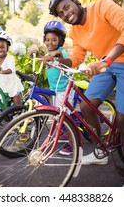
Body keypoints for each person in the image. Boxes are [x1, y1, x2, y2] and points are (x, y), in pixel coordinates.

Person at [45, 0, 124, 175]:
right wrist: (56, 60)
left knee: (123, 120)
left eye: (67, 7)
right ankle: (100, 151)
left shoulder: (102, 6)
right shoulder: (75, 32)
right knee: (87, 107)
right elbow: (76, 58)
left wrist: (107, 60)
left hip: (119, 62)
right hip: (106, 66)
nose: (66, 13)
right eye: (61, 13)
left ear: (75, 0)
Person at [42, 20, 73, 156]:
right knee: (57, 115)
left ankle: (72, 144)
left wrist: (56, 55)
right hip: (55, 90)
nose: (50, 43)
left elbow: (61, 58)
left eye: (54, 40)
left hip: (64, 89)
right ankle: (65, 134)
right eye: (47, 40)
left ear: (60, 41)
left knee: (64, 117)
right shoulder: (49, 54)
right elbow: (47, 65)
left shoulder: (61, 53)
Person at [0, 31, 24, 105]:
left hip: (13, 86)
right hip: (3, 86)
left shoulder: (10, 58)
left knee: (17, 107)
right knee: (3, 108)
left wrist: (2, 71)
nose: (0, 50)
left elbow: (11, 70)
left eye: (2, 47)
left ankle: (21, 114)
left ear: (7, 47)